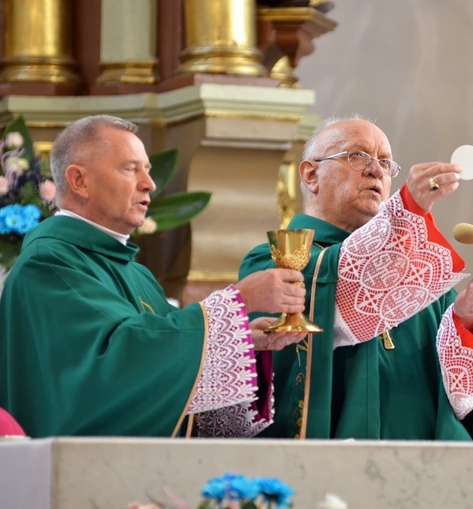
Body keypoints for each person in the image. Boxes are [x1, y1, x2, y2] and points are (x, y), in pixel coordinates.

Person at [0, 115, 308, 438]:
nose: (149, 183)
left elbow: (170, 349)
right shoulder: (47, 265)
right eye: (131, 168)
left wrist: (241, 341)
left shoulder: (137, 273)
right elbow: (116, 370)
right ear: (79, 181)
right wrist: (239, 302)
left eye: (147, 169)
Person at [238, 116, 473, 440]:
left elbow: (464, 398)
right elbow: (343, 287)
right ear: (311, 174)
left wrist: (465, 320)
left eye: (385, 162)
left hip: (424, 467)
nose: (376, 170)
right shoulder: (272, 260)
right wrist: (408, 210)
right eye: (357, 156)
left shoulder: (418, 275)